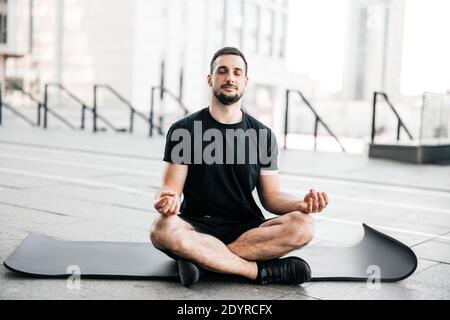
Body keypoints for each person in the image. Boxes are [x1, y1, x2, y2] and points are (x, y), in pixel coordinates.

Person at [150, 47, 329, 287]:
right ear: (210, 79)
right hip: (197, 225)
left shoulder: (263, 135)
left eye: (237, 72)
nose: (230, 77)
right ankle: (256, 271)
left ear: (245, 82)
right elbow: (170, 188)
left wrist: (301, 204)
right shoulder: (184, 130)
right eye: (222, 71)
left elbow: (271, 197)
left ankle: (204, 263)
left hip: (247, 228)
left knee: (304, 225)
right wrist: (166, 200)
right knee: (161, 228)